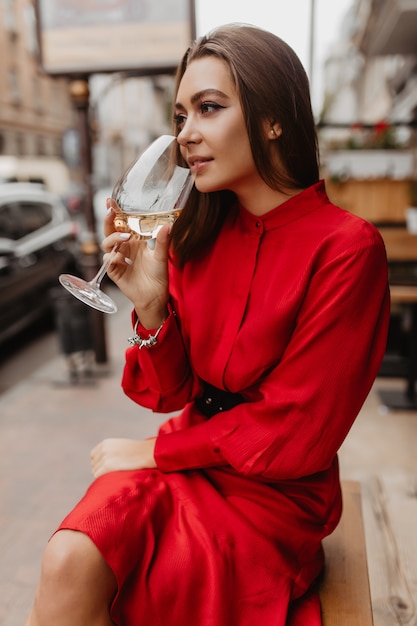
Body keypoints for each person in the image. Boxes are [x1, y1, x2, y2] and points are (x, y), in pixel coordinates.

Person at [25, 23, 390, 626]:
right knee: (68, 556)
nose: (186, 135)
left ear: (274, 119)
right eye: (179, 115)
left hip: (276, 495)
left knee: (157, 580)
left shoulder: (347, 249)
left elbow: (298, 431)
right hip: (191, 462)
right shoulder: (197, 238)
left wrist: (156, 453)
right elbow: (168, 393)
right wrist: (150, 309)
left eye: (209, 108)